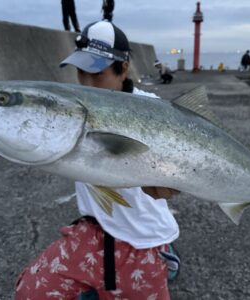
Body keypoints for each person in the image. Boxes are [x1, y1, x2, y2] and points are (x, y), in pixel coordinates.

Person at [15, 12, 180, 300]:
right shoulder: (77, 106)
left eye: (97, 73)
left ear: (124, 67)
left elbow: (176, 169)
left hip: (143, 238)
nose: (87, 83)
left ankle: (166, 256)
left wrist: (173, 183)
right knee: (30, 293)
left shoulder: (152, 111)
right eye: (81, 72)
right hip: (93, 230)